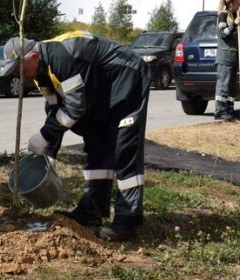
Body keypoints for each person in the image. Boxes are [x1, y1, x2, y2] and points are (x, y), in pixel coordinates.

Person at [19, 31, 151, 242]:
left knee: (123, 147)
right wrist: (49, 152)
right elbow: (55, 110)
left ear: (33, 57)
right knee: (96, 144)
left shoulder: (60, 57)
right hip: (102, 89)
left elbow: (75, 106)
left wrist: (44, 136)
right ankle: (91, 212)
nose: (20, 75)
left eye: (21, 69)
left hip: (127, 76)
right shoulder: (40, 72)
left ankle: (128, 219)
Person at [214, 0, 240, 122]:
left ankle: (229, 110)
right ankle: (220, 111)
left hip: (234, 56)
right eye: (238, 3)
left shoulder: (234, 15)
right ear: (231, 4)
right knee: (223, 85)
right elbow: (223, 34)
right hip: (225, 56)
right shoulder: (223, 15)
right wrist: (233, 25)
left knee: (232, 86)